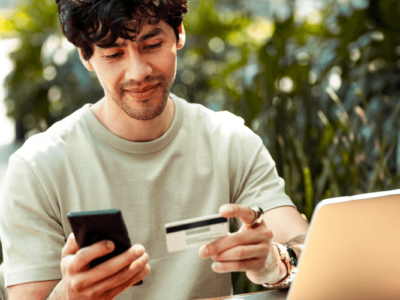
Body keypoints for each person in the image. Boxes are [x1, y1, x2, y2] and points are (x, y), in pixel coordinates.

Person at [0, 0, 309, 299]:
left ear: (179, 33)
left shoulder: (229, 142)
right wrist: (70, 297)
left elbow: (309, 253)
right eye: (113, 53)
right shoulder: (37, 168)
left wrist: (274, 263)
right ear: (86, 55)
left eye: (151, 46)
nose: (138, 72)